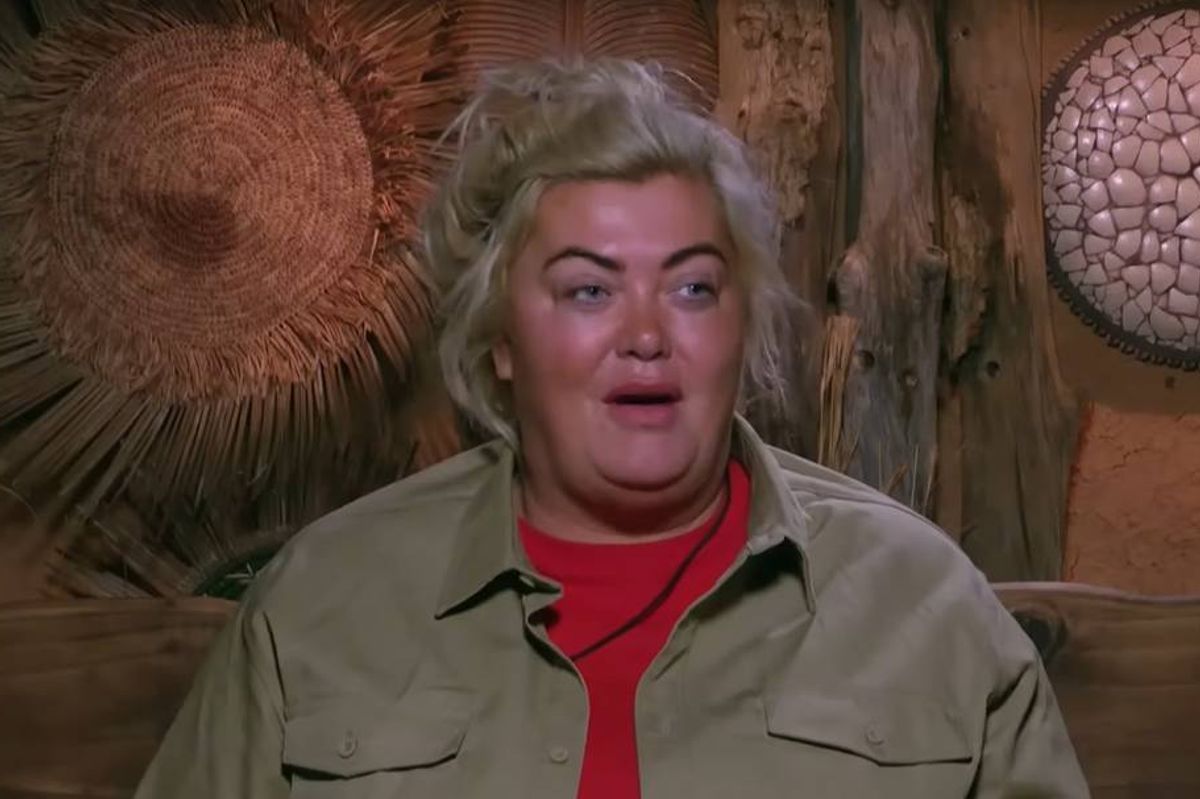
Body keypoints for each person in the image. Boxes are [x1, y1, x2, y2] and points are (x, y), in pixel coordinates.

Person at [135, 58, 1089, 798]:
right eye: (589, 290)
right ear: (500, 337)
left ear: (741, 324)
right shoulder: (323, 606)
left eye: (693, 288)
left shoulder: (925, 607)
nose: (646, 335)